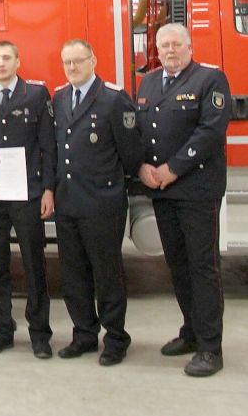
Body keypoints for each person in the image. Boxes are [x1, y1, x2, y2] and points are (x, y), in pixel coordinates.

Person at [136, 23, 230, 377]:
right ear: (157, 50)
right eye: (164, 46)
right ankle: (190, 332)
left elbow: (210, 131)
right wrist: (142, 166)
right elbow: (142, 131)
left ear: (190, 47)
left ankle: (210, 347)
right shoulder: (148, 82)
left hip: (196, 189)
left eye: (177, 44)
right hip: (162, 190)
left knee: (202, 267)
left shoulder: (209, 79)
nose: (170, 50)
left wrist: (173, 168)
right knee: (177, 265)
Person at [53, 39, 141, 366]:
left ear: (93, 60)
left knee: (107, 275)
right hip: (68, 202)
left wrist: (116, 189)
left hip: (102, 203)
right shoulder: (60, 97)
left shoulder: (114, 99)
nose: (72, 68)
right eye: (67, 62)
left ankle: (115, 338)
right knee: (73, 275)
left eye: (78, 61)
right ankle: (84, 335)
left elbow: (131, 153)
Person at [0, 41, 55, 358]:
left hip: (28, 194)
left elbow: (48, 145)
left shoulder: (35, 95)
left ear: (18, 61)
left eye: (7, 58)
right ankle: (1, 331)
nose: (1, 63)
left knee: (34, 266)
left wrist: (48, 188)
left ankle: (40, 335)